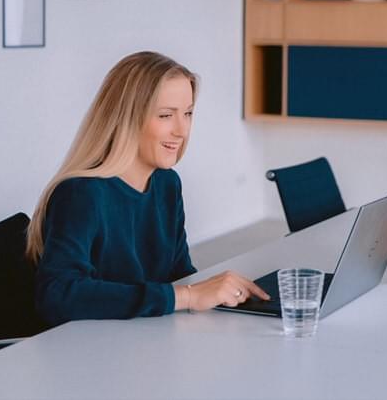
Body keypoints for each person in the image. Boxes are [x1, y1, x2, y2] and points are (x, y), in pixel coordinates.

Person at [28, 51, 269, 326]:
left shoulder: (167, 184)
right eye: (166, 115)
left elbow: (179, 274)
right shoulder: (81, 194)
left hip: (145, 339)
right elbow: (58, 296)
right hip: (92, 353)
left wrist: (217, 293)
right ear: (126, 119)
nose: (182, 130)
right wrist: (188, 297)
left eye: (188, 113)